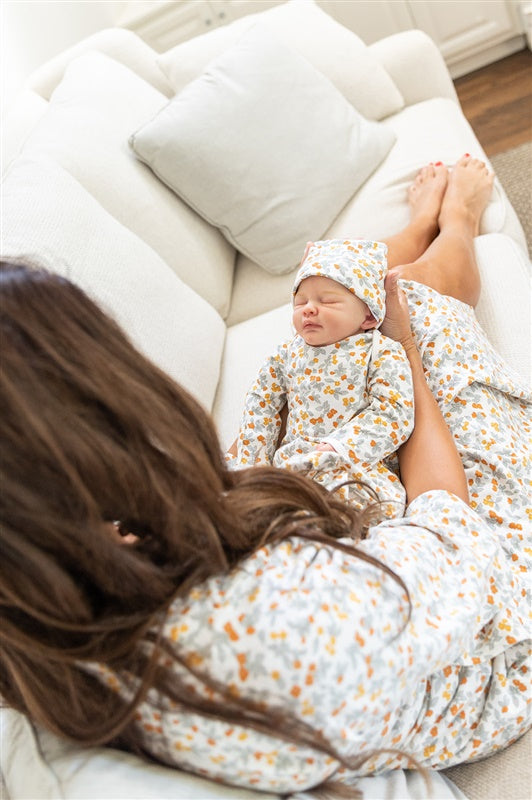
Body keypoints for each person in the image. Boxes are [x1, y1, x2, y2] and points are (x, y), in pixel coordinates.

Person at [1, 157, 530, 797]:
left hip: (377, 602)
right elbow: (456, 538)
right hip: (485, 650)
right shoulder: (275, 626)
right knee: (420, 306)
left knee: (367, 305)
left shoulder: (44, 601)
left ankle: (416, 232)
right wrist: (402, 350)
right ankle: (455, 222)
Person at [229, 237, 415, 515]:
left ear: (369, 316)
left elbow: (395, 410)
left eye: (327, 301)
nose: (308, 309)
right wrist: (255, 462)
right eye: (300, 302)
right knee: (260, 499)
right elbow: (261, 403)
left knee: (358, 505)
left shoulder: (380, 351)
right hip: (293, 461)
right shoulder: (287, 353)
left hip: (354, 462)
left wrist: (338, 447)